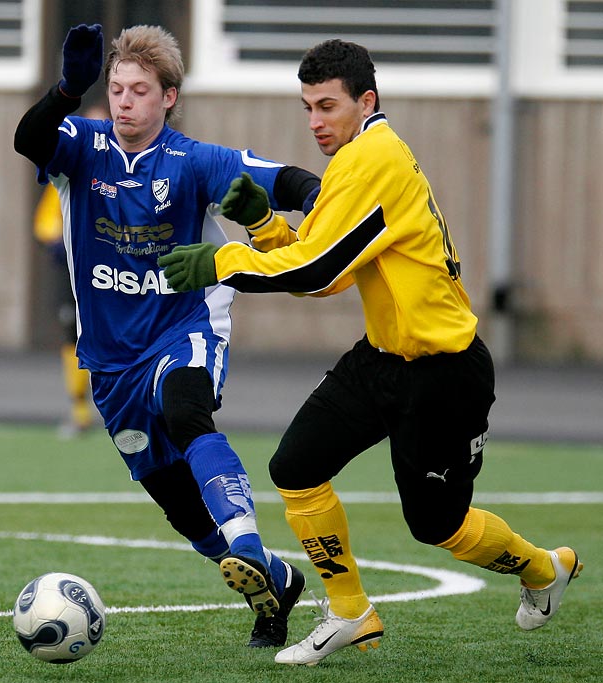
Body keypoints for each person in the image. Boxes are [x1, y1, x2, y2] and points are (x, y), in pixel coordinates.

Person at [158, 38, 583, 665]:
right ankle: (351, 612)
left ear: (367, 101)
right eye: (307, 107)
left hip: (445, 373)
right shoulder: (358, 157)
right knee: (296, 468)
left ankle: (546, 569)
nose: (315, 122)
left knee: (438, 526)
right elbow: (330, 268)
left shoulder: (374, 158)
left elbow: (316, 268)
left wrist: (220, 260)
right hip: (382, 359)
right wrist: (266, 226)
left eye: (327, 106)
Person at [14, 23, 321, 648]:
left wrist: (328, 197)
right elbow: (28, 138)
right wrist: (67, 90)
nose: (125, 100)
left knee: (188, 415)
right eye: (118, 88)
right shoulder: (81, 145)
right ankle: (276, 585)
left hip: (185, 328)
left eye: (140, 90)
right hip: (110, 360)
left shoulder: (194, 161)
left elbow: (285, 179)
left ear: (168, 97)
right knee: (175, 499)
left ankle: (251, 546)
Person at [33, 102, 109, 438]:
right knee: (72, 333)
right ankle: (79, 411)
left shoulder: (123, 174)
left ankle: (129, 412)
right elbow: (45, 224)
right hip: (74, 269)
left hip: (115, 268)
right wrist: (60, 242)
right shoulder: (66, 175)